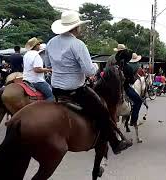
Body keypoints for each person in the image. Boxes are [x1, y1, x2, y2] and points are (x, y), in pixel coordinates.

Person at [46, 11, 132, 154]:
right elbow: (90, 71)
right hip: (75, 90)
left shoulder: (50, 42)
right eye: (79, 26)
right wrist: (96, 66)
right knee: (103, 112)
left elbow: (48, 64)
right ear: (75, 28)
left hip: (56, 89)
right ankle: (115, 144)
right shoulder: (77, 44)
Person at [115, 49, 143, 127]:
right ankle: (133, 120)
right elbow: (131, 82)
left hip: (113, 88)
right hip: (125, 88)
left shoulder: (114, 65)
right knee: (139, 101)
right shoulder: (128, 68)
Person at [23, 37, 53, 101]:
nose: (40, 45)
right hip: (36, 81)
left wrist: (44, 70)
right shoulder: (36, 55)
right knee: (51, 95)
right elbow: (37, 69)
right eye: (39, 44)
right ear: (35, 46)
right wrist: (49, 70)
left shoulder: (26, 54)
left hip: (26, 79)